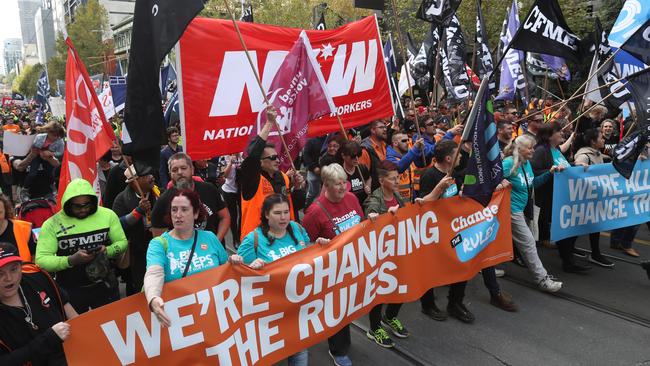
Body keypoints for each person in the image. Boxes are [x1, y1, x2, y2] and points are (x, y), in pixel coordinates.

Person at [237, 193, 329, 366]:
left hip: (297, 308)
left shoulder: (297, 229)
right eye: (277, 213)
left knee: (300, 350)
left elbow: (307, 254)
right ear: (266, 214)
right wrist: (250, 267)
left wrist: (318, 247)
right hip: (268, 315)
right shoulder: (253, 239)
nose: (283, 217)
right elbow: (237, 275)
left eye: (286, 212)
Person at [303, 163, 364, 366]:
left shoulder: (352, 198)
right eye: (337, 184)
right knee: (337, 308)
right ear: (326, 185)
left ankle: (342, 340)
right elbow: (304, 245)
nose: (342, 188)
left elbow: (360, 225)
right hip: (331, 271)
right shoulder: (314, 212)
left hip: (353, 263)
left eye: (344, 183)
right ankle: (338, 350)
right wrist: (318, 245)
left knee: (348, 306)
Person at [35, 178, 128, 312]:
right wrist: (71, 260)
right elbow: (41, 260)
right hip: (71, 290)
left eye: (87, 204)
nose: (83, 209)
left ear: (93, 201)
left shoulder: (108, 215)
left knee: (113, 326)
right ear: (68, 204)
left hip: (104, 285)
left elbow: (122, 242)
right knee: (79, 331)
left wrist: (107, 250)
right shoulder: (52, 224)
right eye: (77, 206)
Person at [144, 189, 234, 327]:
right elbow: (154, 273)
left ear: (196, 213)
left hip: (214, 317)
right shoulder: (159, 244)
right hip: (180, 322)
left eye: (184, 209)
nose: (178, 215)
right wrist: (153, 298)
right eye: (174, 210)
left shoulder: (210, 237)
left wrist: (239, 265)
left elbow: (226, 271)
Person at [0, 242, 79, 365]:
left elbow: (73, 316)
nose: (9, 278)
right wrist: (48, 339)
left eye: (14, 269)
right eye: (0, 274)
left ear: (21, 266)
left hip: (73, 358)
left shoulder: (38, 278)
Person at [503, 135, 563, 292]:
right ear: (519, 149)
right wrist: (500, 182)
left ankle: (485, 265)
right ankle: (542, 279)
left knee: (497, 238)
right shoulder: (508, 163)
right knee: (529, 242)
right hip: (511, 210)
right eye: (530, 147)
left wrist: (549, 173)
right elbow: (489, 181)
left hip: (522, 209)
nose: (533, 150)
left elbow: (532, 184)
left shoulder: (526, 163)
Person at [237, 107, 305, 243]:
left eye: (277, 156)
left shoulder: (283, 177)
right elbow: (253, 154)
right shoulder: (252, 178)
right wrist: (269, 123)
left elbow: (296, 207)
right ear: (260, 162)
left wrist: (298, 188)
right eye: (273, 157)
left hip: (285, 238)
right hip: (258, 241)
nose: (278, 160)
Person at [363, 161, 409, 348]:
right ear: (382, 181)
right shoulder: (375, 200)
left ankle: (390, 317)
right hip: (380, 255)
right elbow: (370, 215)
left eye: (398, 177)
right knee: (379, 292)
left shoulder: (397, 195)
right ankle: (374, 328)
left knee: (404, 284)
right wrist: (376, 217)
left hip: (397, 251)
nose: (397, 181)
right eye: (393, 178)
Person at [531, 124, 589, 273]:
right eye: (559, 132)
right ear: (549, 135)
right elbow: (534, 173)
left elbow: (562, 166)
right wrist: (551, 172)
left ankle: (568, 258)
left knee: (569, 226)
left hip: (562, 196)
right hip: (550, 197)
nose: (562, 134)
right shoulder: (541, 151)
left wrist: (575, 164)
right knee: (566, 226)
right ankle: (567, 261)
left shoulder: (555, 149)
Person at [151, 152, 230, 243]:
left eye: (183, 168)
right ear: (170, 174)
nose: (180, 172)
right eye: (175, 170)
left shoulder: (209, 189)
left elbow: (225, 217)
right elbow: (159, 240)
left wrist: (216, 242)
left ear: (192, 169)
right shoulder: (163, 202)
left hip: (213, 253)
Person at [574, 129, 621, 265]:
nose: (604, 140)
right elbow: (577, 166)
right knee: (579, 226)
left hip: (593, 198)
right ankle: (569, 251)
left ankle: (593, 252)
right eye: (601, 138)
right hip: (584, 199)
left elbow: (609, 160)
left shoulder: (597, 153)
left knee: (593, 226)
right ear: (593, 142)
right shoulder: (584, 155)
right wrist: (578, 166)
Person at [112, 163, 158, 295]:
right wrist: (138, 212)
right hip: (136, 252)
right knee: (139, 286)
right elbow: (117, 225)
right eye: (146, 176)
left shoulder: (158, 193)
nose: (151, 178)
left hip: (157, 246)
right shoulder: (121, 199)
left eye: (151, 174)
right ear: (134, 182)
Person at [386, 133, 425, 202]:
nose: (407, 143)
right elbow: (399, 167)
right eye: (404, 141)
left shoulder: (408, 156)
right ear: (395, 143)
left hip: (410, 201)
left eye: (408, 140)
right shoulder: (389, 158)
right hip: (397, 204)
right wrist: (415, 149)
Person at [0, 194, 36, 260]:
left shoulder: (24, 229)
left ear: (6, 211)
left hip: (24, 269)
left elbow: (35, 256)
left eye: (0, 213)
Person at [338, 140, 371, 205]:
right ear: (343, 156)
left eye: (358, 155)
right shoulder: (339, 172)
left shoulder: (362, 168)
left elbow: (368, 178)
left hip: (363, 204)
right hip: (348, 206)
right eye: (353, 156)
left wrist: (368, 186)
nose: (356, 159)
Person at [221, 153, 243, 248]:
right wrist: (230, 163)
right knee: (233, 215)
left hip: (242, 190)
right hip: (229, 191)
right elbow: (224, 175)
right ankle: (235, 239)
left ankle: (241, 235)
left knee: (243, 214)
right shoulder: (224, 157)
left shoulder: (243, 155)